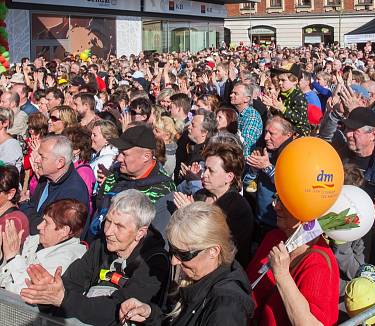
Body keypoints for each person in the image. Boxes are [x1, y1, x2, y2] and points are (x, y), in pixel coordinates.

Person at [21, 190, 171, 326]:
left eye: (119, 226)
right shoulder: (101, 245)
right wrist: (50, 291)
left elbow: (118, 309)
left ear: (140, 233)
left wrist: (64, 299)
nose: (109, 231)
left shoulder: (155, 262)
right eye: (108, 221)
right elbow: (72, 281)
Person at [119, 202, 254, 326]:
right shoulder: (198, 278)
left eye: (184, 254)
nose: (174, 261)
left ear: (213, 251)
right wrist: (150, 314)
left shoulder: (226, 307)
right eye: (172, 250)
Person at [248, 191, 340, 326]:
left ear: (308, 212)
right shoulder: (274, 236)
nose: (276, 206)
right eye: (278, 199)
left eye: (287, 204)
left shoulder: (318, 262)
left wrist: (282, 275)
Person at [173, 138, 253, 267]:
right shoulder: (201, 195)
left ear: (229, 177)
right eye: (205, 169)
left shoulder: (238, 208)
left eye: (211, 171)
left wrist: (192, 216)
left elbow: (226, 248)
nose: (204, 174)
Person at [0, 198, 87, 295]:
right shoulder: (35, 241)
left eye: (46, 223)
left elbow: (25, 293)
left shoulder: (66, 260)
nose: (38, 226)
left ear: (64, 231)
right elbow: (4, 279)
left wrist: (13, 258)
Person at [92, 125, 176, 236]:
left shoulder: (164, 190)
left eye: (124, 154)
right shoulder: (114, 175)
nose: (119, 158)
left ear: (146, 156)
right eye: (119, 152)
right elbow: (98, 211)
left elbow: (155, 238)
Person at [19, 135, 90, 235]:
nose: (36, 160)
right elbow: (36, 209)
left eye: (42, 156)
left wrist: (24, 205)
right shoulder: (47, 177)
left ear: (60, 163)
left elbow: (47, 230)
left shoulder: (73, 193)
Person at [247, 116, 295, 233]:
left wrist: (267, 168)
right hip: (259, 219)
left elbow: (289, 185)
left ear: (288, 135)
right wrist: (253, 170)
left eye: (272, 133)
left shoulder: (293, 155)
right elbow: (247, 185)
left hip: (278, 226)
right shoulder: (266, 152)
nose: (266, 137)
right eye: (265, 132)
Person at [64, 126, 96, 205]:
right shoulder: (70, 166)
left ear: (77, 149)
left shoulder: (84, 172)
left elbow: (81, 203)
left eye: (64, 145)